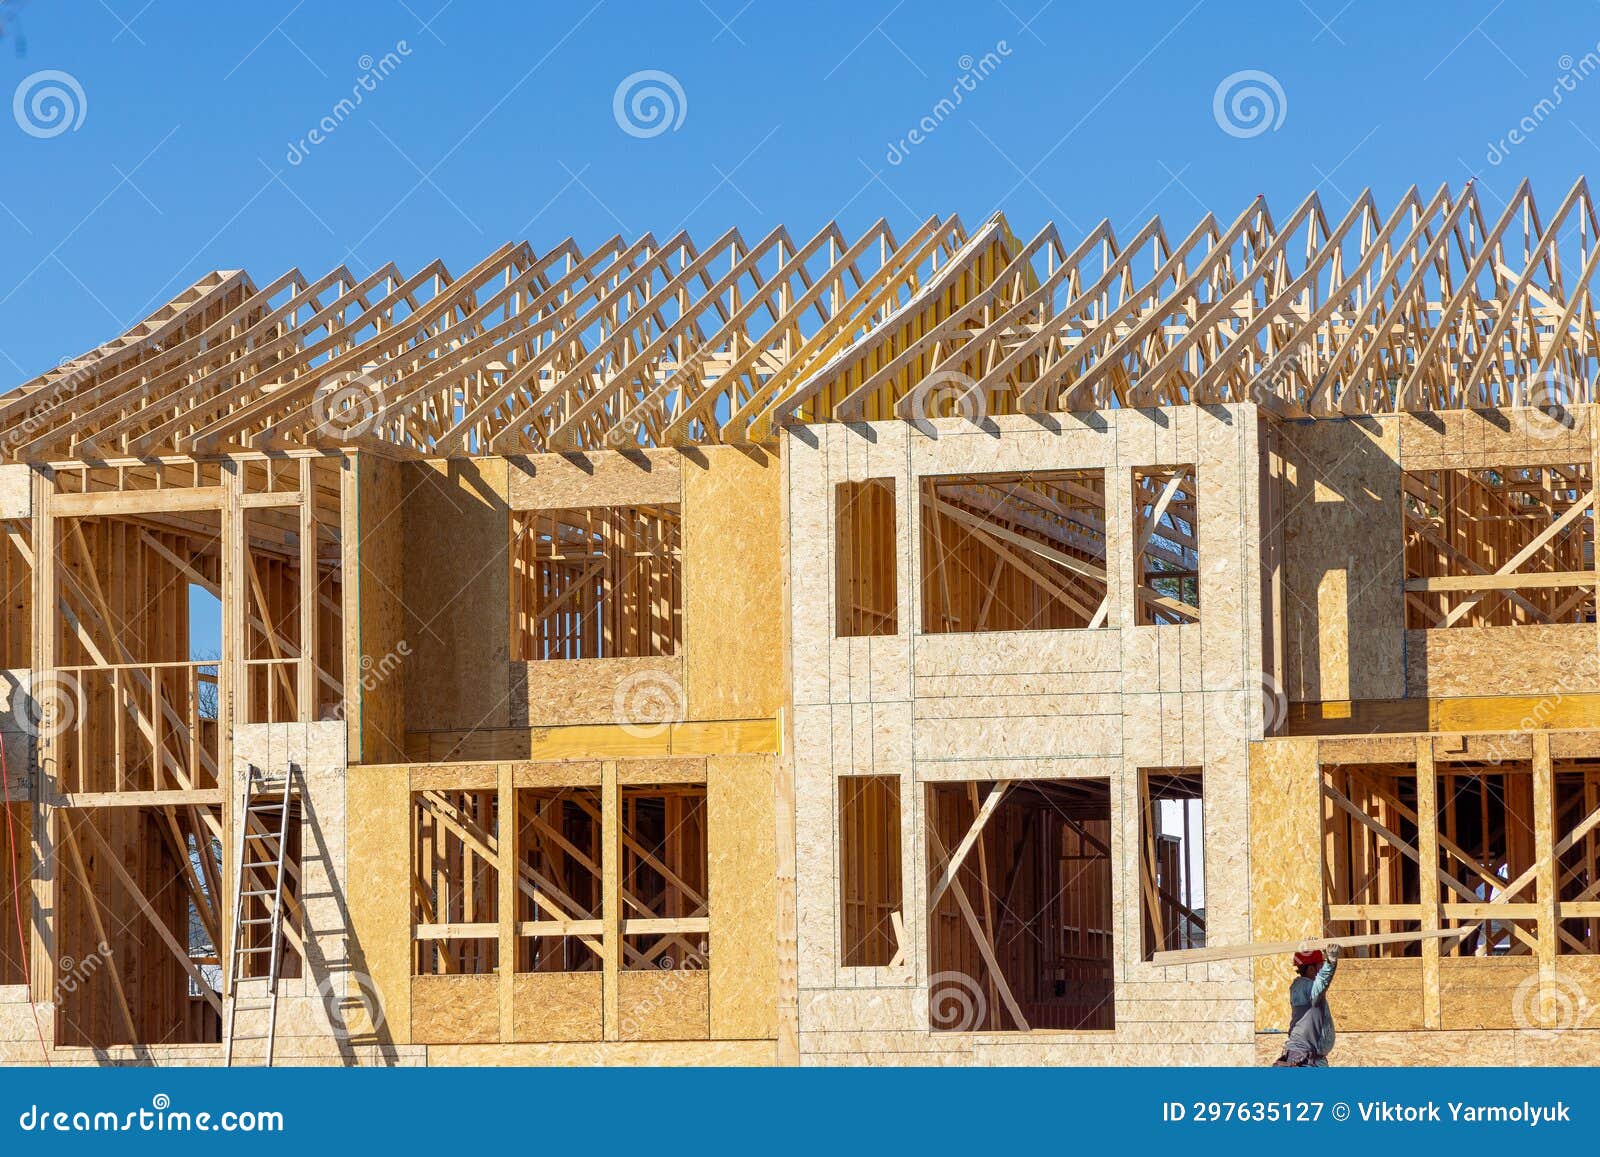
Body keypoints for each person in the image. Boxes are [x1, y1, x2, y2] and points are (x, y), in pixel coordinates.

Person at [1272, 942, 1339, 1066]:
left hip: (1311, 1059)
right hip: (1303, 1059)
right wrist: (1331, 962)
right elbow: (1321, 984)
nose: (1322, 968)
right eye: (1321, 965)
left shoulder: (1306, 988)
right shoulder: (1303, 986)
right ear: (1311, 969)